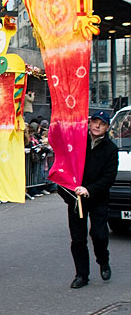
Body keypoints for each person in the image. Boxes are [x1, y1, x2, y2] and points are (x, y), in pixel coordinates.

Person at [58, 111, 118, 289]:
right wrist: (68, 192)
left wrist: (89, 190)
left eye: (102, 123)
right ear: (89, 124)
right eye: (94, 122)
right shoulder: (77, 143)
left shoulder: (111, 149)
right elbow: (64, 164)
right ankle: (82, 275)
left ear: (107, 127)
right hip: (76, 198)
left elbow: (109, 178)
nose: (97, 126)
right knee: (77, 239)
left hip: (97, 197)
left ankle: (103, 260)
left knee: (99, 235)